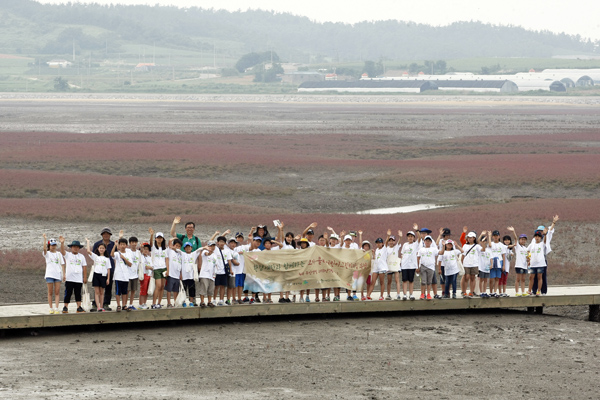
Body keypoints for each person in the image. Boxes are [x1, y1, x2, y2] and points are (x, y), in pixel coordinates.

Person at [531, 215, 558, 295]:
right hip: (534, 259)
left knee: (542, 276)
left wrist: (554, 222)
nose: (540, 232)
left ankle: (543, 291)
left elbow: (550, 229)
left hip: (542, 258)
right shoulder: (534, 239)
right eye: (539, 231)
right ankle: (534, 290)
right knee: (534, 276)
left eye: (541, 231)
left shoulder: (547, 236)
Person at [59, 237, 87, 313]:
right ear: (71, 247)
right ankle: (65, 306)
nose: (75, 248)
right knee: (68, 293)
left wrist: (85, 277)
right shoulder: (68, 255)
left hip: (78, 279)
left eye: (77, 247)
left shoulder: (82, 256)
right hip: (69, 278)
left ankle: (79, 307)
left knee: (78, 293)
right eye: (74, 247)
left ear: (79, 248)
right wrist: (62, 243)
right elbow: (62, 251)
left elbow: (84, 267)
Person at [92, 227, 115, 311]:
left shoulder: (113, 244)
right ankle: (95, 304)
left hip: (109, 268)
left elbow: (116, 254)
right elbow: (94, 256)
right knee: (97, 288)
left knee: (108, 287)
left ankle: (106, 303)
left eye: (107, 234)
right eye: (104, 234)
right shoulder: (97, 244)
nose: (106, 235)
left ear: (110, 235)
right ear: (102, 235)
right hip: (98, 270)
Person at [42, 234, 64, 314]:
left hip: (58, 274)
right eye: (51, 245)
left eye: (54, 245)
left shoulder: (59, 254)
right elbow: (44, 249)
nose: (53, 247)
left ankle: (57, 308)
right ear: (49, 246)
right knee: (50, 292)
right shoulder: (47, 253)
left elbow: (62, 264)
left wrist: (64, 274)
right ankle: (51, 307)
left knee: (57, 292)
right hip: (49, 274)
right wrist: (45, 239)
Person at [461, 231, 486, 297]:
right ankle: (464, 292)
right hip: (466, 264)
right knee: (466, 277)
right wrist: (462, 263)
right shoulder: (465, 246)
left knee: (472, 278)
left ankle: (471, 292)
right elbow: (463, 255)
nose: (469, 239)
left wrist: (483, 243)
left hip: (474, 264)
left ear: (474, 238)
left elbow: (483, 249)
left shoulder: (477, 246)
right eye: (468, 238)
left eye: (471, 238)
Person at [111, 237, 133, 312]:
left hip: (126, 276)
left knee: (125, 291)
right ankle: (118, 305)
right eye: (121, 244)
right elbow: (112, 255)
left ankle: (124, 305)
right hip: (118, 276)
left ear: (126, 245)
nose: (123, 246)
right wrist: (114, 245)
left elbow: (130, 264)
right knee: (118, 292)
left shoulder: (128, 254)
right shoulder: (117, 253)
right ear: (119, 246)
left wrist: (124, 258)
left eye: (124, 244)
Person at [149, 228, 169, 309]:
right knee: (158, 286)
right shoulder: (154, 247)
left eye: (161, 238)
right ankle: (154, 303)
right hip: (156, 268)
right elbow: (150, 243)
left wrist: (168, 269)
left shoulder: (165, 249)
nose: (159, 239)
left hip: (163, 268)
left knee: (162, 286)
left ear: (163, 239)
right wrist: (151, 235)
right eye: (158, 238)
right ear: (156, 239)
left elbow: (167, 259)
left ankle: (159, 303)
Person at [400, 227, 421, 301]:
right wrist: (401, 262)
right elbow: (402, 254)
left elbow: (419, 238)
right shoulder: (405, 245)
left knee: (411, 280)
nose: (410, 238)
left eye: (411, 236)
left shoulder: (415, 244)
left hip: (412, 265)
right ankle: (405, 294)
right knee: (404, 280)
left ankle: (411, 294)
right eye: (409, 236)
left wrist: (417, 230)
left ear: (413, 237)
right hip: (404, 265)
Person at [507, 227, 528, 296]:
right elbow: (515, 238)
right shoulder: (518, 246)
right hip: (519, 265)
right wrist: (513, 231)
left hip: (525, 265)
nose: (523, 241)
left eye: (524, 240)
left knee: (523, 279)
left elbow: (527, 257)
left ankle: (523, 291)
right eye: (522, 239)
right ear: (520, 240)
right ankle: (517, 292)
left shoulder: (526, 248)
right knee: (518, 279)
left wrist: (528, 260)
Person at [416, 236, 438, 300]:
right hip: (423, 266)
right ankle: (422, 294)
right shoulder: (421, 249)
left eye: (429, 241)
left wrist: (444, 246)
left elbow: (440, 253)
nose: (427, 242)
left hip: (431, 267)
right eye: (426, 241)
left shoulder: (433, 249)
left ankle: (428, 294)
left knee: (429, 282)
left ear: (431, 242)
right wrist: (417, 267)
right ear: (424, 242)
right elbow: (418, 257)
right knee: (423, 281)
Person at [488, 230, 507, 298]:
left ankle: (495, 291)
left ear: (499, 236)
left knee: (497, 278)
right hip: (492, 261)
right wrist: (489, 236)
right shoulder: (491, 244)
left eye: (497, 236)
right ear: (493, 237)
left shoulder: (502, 245)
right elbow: (489, 245)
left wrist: (504, 265)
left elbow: (503, 255)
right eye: (494, 236)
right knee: (491, 278)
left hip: (499, 261)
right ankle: (491, 292)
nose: (496, 237)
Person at [214, 236, 232, 306]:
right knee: (216, 286)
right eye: (220, 242)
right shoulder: (215, 249)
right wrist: (216, 234)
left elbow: (229, 260)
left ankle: (221, 300)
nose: (222, 243)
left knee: (223, 286)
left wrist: (231, 269)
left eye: (223, 242)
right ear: (218, 242)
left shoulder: (227, 251)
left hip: (224, 271)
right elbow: (210, 241)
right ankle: (214, 299)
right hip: (216, 271)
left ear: (225, 243)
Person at [198, 241, 217, 308]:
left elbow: (215, 264)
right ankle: (202, 302)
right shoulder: (204, 252)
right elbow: (207, 254)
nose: (212, 247)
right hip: (204, 274)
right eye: (211, 246)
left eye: (213, 246)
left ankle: (209, 301)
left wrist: (215, 273)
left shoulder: (215, 255)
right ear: (208, 246)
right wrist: (209, 251)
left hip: (212, 275)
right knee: (203, 288)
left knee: (210, 289)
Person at [166, 238, 184, 308]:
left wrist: (181, 274)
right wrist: (174, 238)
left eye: (179, 246)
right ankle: (168, 303)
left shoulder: (180, 254)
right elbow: (169, 241)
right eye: (176, 245)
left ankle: (175, 302)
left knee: (176, 290)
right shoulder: (170, 251)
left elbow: (181, 265)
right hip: (171, 274)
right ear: (173, 245)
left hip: (177, 274)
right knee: (169, 289)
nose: (177, 247)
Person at [126, 236, 141, 310]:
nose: (134, 244)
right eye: (132, 242)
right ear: (130, 243)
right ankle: (125, 304)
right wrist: (120, 237)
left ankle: (131, 304)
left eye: (135, 242)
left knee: (133, 290)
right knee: (127, 290)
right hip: (128, 274)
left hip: (135, 274)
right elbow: (119, 248)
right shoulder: (127, 251)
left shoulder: (138, 252)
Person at [138, 243, 153, 309]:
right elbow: (139, 252)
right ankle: (141, 304)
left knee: (147, 290)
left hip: (149, 274)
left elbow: (153, 267)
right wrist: (141, 248)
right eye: (144, 249)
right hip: (143, 274)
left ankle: (144, 303)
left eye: (147, 249)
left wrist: (150, 267)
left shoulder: (149, 258)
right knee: (142, 289)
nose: (145, 250)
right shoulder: (140, 256)